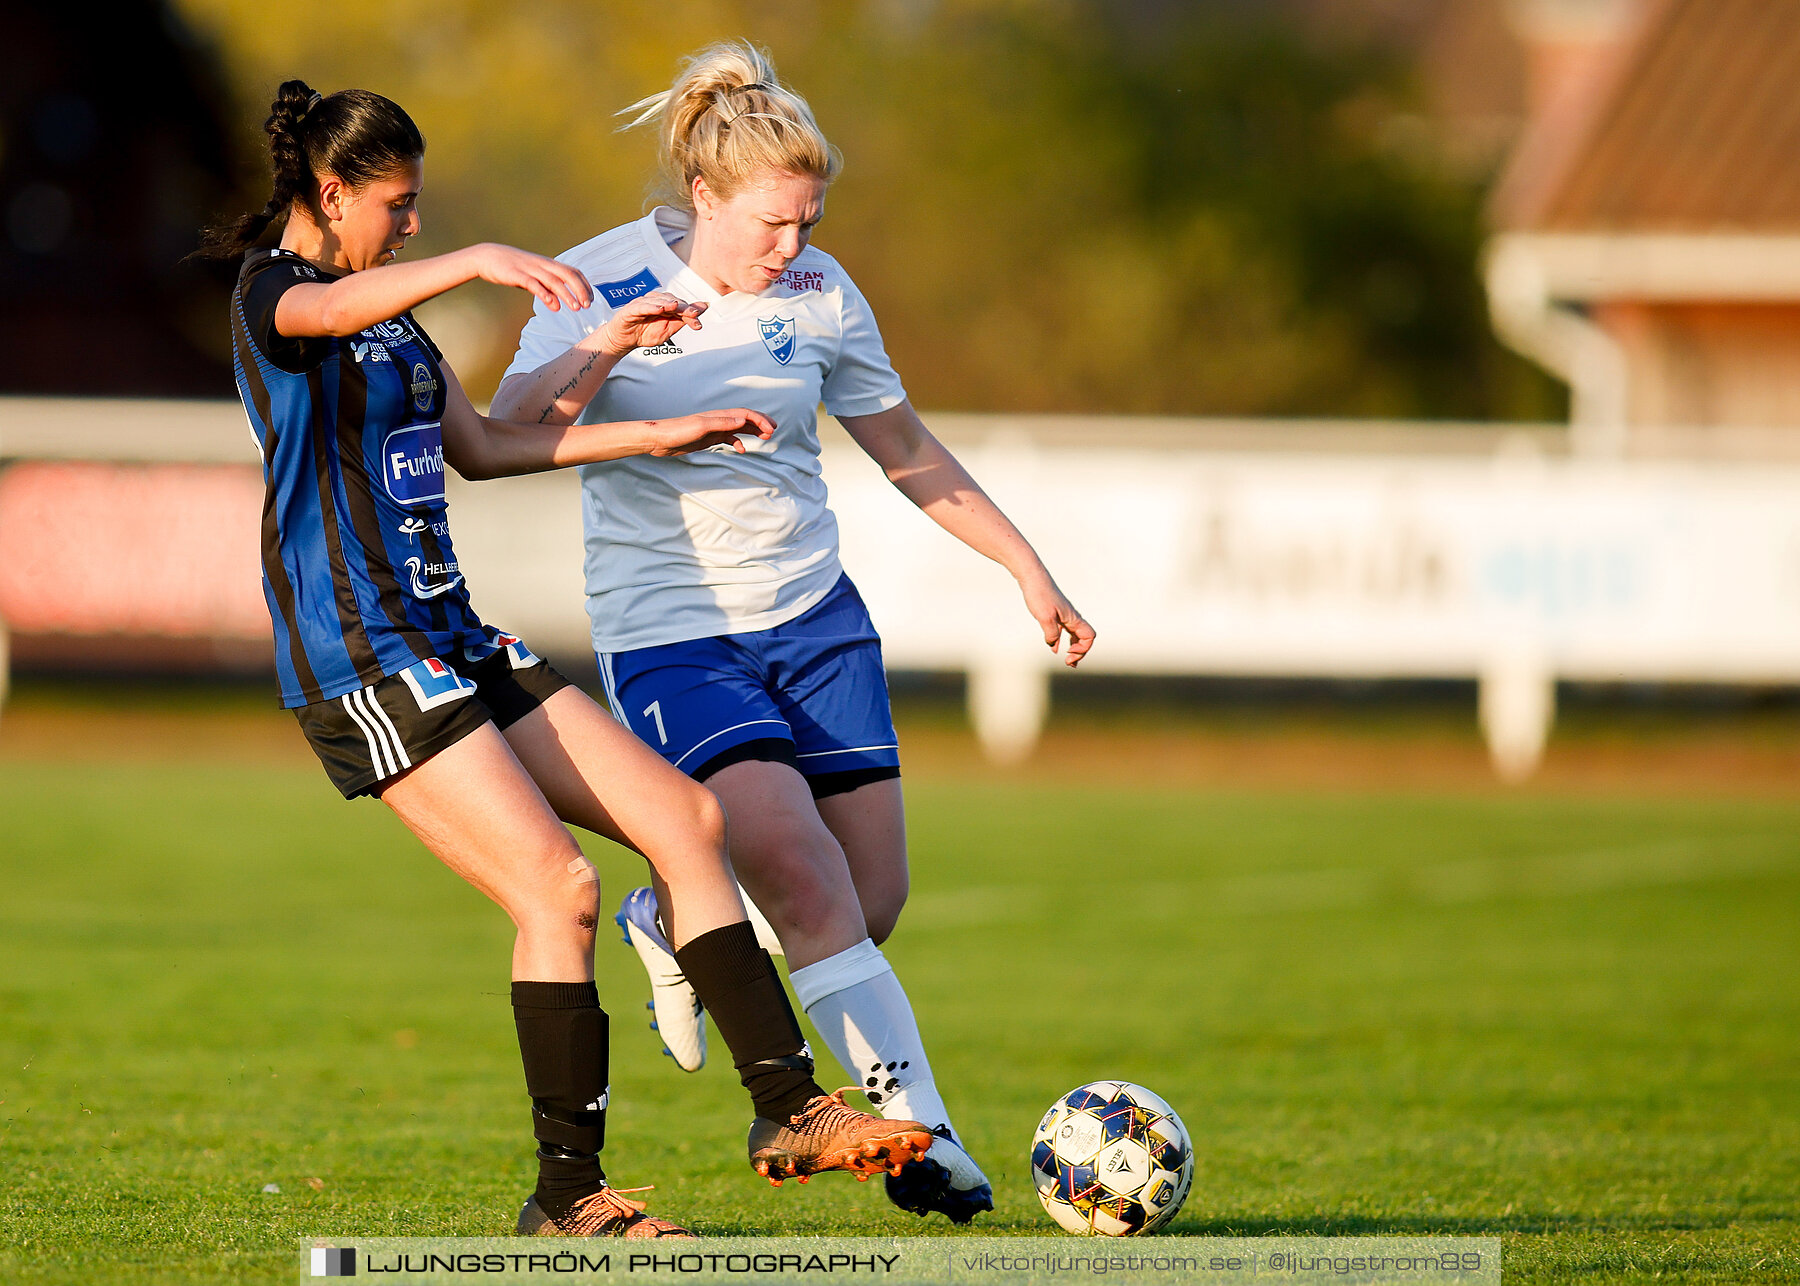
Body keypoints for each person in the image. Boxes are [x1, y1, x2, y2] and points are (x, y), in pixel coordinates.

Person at [203, 79, 936, 1240]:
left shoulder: (386, 315)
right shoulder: (276, 295)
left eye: (424, 211)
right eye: (397, 207)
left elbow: (487, 447)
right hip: (365, 657)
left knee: (688, 822)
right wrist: (481, 258)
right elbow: (317, 318)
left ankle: (789, 1108)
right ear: (329, 192)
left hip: (452, 631)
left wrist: (647, 407)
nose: (412, 227)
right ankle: (568, 1196)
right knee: (562, 889)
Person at [492, 42, 1096, 1224]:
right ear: (705, 194)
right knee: (808, 878)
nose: (792, 244)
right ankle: (926, 1145)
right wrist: (610, 344)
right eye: (773, 222)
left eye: (809, 219)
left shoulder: (824, 289)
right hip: (672, 633)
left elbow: (905, 445)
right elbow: (505, 429)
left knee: (869, 901)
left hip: (816, 620)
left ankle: (671, 909)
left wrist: (1029, 571)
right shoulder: (598, 275)